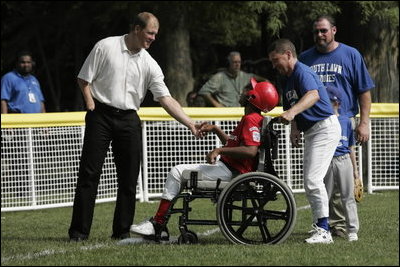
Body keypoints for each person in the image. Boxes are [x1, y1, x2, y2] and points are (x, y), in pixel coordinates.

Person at [68, 12, 204, 242]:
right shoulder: (105, 46)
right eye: (150, 33)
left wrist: (190, 123)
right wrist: (90, 104)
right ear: (136, 29)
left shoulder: (149, 63)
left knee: (129, 177)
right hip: (100, 115)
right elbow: (84, 79)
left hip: (130, 118)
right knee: (89, 175)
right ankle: (79, 232)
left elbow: (166, 98)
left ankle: (121, 231)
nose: (153, 38)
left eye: (155, 34)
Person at [129, 78, 279, 240]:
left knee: (177, 172)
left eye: (249, 90)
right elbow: (234, 143)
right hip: (231, 169)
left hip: (232, 172)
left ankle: (158, 224)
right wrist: (215, 129)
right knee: (179, 171)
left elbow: (250, 150)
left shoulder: (250, 119)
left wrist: (219, 150)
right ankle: (159, 225)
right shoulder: (253, 118)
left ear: (253, 97)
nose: (245, 91)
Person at [299, 14, 375, 237]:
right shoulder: (305, 58)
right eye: (316, 32)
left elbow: (364, 91)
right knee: (321, 177)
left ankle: (341, 226)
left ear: (334, 30)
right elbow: (297, 94)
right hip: (316, 125)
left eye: (323, 30)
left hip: (343, 121)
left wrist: (363, 123)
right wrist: (296, 124)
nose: (319, 35)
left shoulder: (350, 54)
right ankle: (327, 224)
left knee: (343, 178)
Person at [267, 38, 341, 244]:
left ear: (289, 55)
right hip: (312, 130)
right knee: (309, 181)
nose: (274, 65)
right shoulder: (285, 78)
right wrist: (294, 128)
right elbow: (291, 103)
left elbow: (313, 95)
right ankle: (320, 226)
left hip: (325, 128)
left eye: (276, 60)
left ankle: (324, 231)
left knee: (312, 179)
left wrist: (291, 113)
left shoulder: (302, 72)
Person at [323, 85, 359, 242]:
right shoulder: (323, 121)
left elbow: (350, 148)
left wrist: (355, 171)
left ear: (336, 103)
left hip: (344, 160)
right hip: (327, 160)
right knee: (325, 196)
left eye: (328, 101)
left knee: (347, 196)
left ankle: (352, 229)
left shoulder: (346, 121)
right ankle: (322, 228)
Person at [197, 51, 263, 107]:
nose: (237, 64)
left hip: (240, 113)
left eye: (239, 62)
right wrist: (217, 105)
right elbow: (204, 91)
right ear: (229, 63)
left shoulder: (244, 76)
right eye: (235, 62)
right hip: (226, 115)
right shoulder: (219, 77)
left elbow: (264, 80)